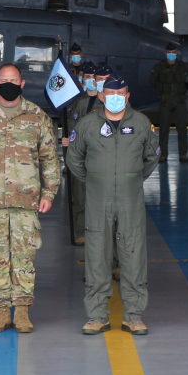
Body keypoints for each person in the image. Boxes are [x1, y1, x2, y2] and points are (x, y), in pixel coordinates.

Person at [0, 63, 62, 333]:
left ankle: (23, 311)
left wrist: (49, 192)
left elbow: (49, 157)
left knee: (24, 256)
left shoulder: (37, 116)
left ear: (22, 83)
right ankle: (2, 310)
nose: (8, 84)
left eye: (13, 80)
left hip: (26, 200)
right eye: (3, 80)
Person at [67, 75, 159, 336]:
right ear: (102, 95)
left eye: (121, 93)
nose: (116, 98)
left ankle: (134, 315)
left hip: (131, 200)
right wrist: (96, 181)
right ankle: (97, 316)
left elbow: (151, 158)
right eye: (110, 93)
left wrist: (131, 178)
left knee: (133, 255)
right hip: (98, 200)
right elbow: (73, 158)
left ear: (128, 96)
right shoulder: (86, 124)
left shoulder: (142, 123)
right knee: (97, 255)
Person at [61, 62, 103, 246]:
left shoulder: (106, 101)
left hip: (100, 155)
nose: (91, 81)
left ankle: (100, 230)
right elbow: (71, 127)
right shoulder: (75, 101)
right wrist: (68, 142)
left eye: (94, 78)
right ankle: (80, 230)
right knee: (78, 195)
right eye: (87, 77)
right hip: (79, 154)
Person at [149, 42, 188, 162]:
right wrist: (162, 89)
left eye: (173, 53)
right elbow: (152, 81)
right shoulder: (159, 67)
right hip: (165, 101)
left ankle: (183, 154)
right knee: (163, 129)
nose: (171, 55)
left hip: (180, 101)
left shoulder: (183, 66)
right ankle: (163, 154)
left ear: (177, 53)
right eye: (169, 53)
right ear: (165, 53)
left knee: (182, 129)